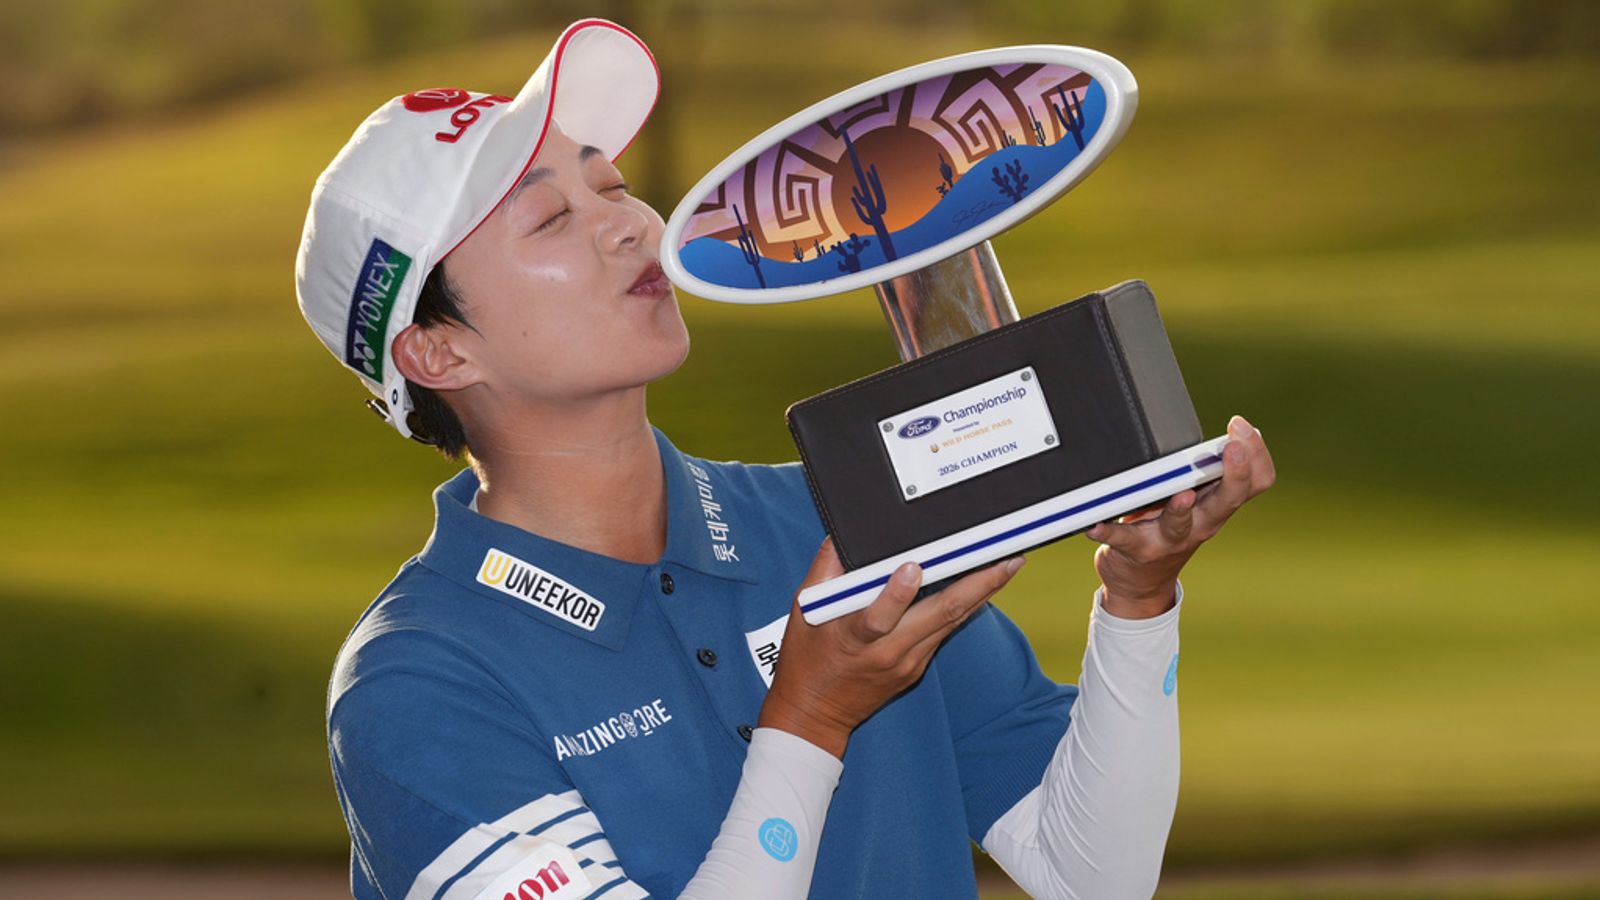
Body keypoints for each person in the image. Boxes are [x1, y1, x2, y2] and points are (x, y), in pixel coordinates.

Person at [294, 19, 1274, 900]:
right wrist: (808, 717)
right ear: (436, 353)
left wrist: (1138, 599)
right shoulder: (416, 685)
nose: (634, 223)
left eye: (614, 187)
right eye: (551, 218)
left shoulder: (832, 522)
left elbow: (1091, 872)